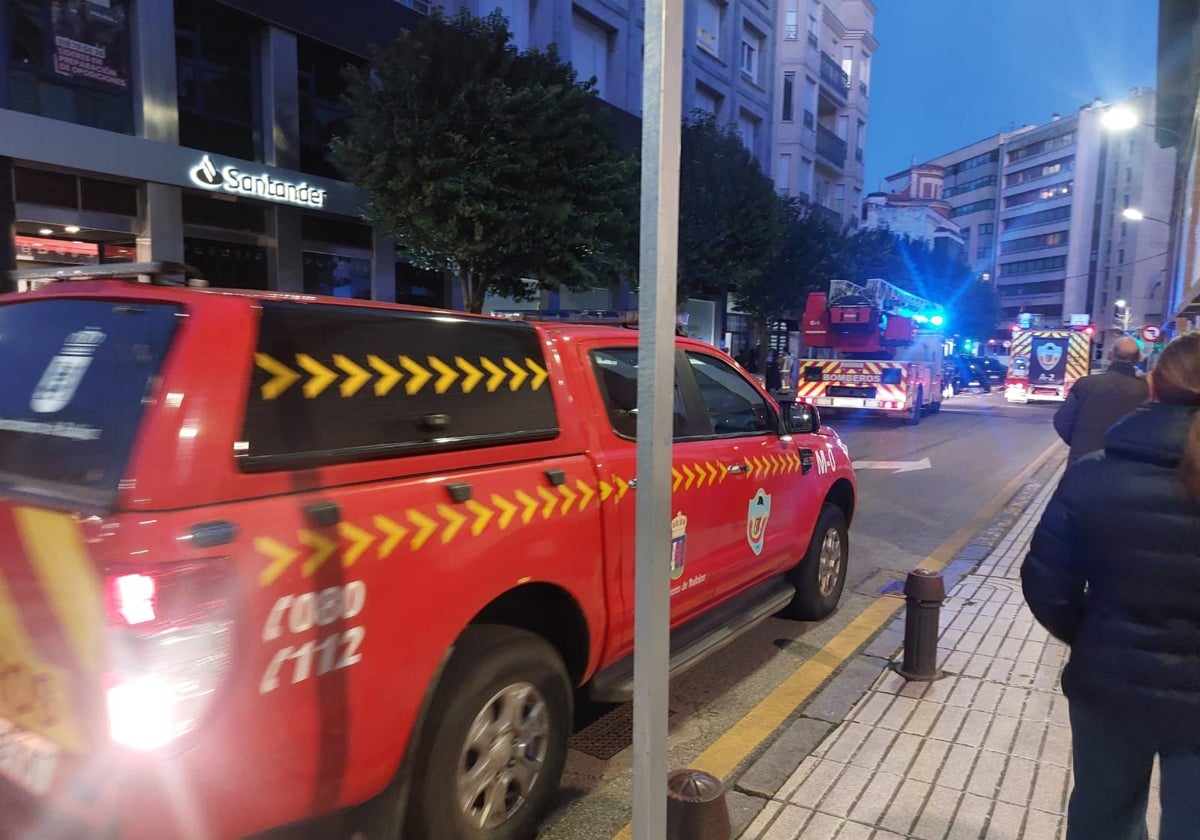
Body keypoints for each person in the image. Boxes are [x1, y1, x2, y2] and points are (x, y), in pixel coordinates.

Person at [1021, 330, 1200, 840]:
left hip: (1110, 682)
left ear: (1155, 386)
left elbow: (1045, 581)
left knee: (1104, 817)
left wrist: (1095, 634)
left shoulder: (1094, 475)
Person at [1052, 336, 1148, 462]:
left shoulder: (1086, 384)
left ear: (1110, 355)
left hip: (1082, 462)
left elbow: (1062, 420)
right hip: (1124, 464)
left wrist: (1079, 444)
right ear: (1138, 359)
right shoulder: (1145, 390)